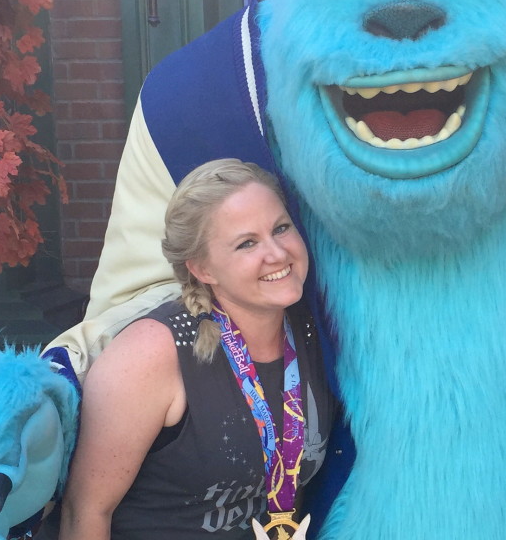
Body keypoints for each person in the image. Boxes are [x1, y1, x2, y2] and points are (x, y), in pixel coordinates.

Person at [59, 159, 332, 540]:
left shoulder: (311, 329)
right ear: (202, 269)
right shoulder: (153, 352)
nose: (277, 253)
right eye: (247, 243)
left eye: (281, 228)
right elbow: (84, 512)